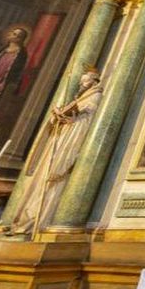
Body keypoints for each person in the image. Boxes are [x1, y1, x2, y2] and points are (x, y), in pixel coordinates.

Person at [8, 67, 103, 235]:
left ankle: (39, 218)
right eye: (81, 82)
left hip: (69, 143)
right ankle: (24, 219)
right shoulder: (80, 98)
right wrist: (58, 116)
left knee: (55, 176)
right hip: (59, 139)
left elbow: (87, 119)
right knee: (42, 176)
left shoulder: (95, 97)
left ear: (94, 81)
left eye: (85, 81)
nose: (82, 84)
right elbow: (69, 116)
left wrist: (73, 118)